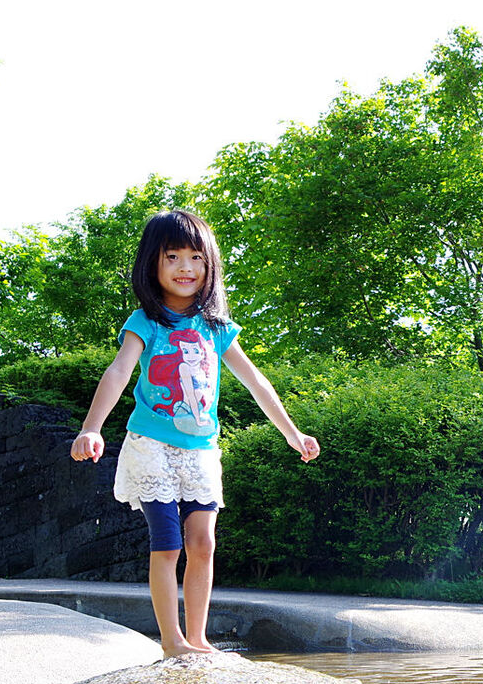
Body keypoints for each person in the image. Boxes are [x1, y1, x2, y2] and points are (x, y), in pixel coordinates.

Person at [70, 209, 320, 658]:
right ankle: (172, 641)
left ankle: (199, 638)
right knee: (166, 542)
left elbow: (256, 381)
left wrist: (292, 433)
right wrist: (91, 427)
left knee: (203, 541)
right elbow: (119, 370)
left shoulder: (217, 327)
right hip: (153, 445)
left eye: (195, 258)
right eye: (172, 257)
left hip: (201, 449)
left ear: (209, 266)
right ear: (153, 264)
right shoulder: (145, 321)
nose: (185, 267)